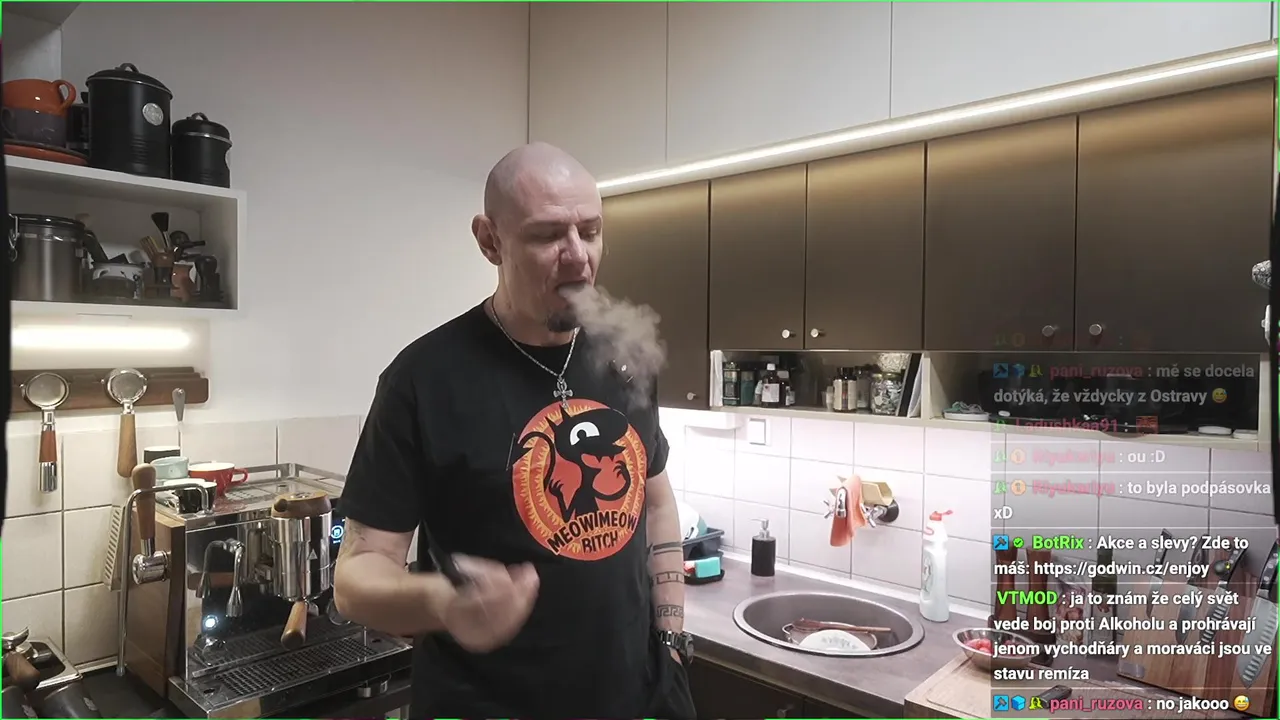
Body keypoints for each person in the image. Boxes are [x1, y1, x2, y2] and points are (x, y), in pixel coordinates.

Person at [333, 142, 697, 719]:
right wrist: (441, 601)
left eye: (591, 231)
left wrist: (671, 637)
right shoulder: (423, 379)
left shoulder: (624, 357)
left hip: (636, 697)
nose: (578, 257)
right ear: (489, 240)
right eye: (547, 235)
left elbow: (655, 503)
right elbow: (355, 578)